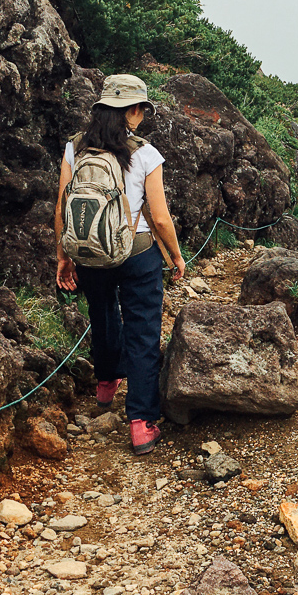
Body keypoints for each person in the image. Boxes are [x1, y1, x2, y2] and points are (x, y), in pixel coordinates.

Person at [54, 74, 187, 455]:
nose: (143, 116)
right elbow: (160, 218)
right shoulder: (145, 153)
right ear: (132, 110)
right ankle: (141, 424)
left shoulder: (75, 148)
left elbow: (62, 206)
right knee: (143, 329)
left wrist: (64, 255)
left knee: (102, 314)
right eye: (142, 109)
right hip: (138, 252)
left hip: (90, 250)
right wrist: (176, 255)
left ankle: (105, 384)